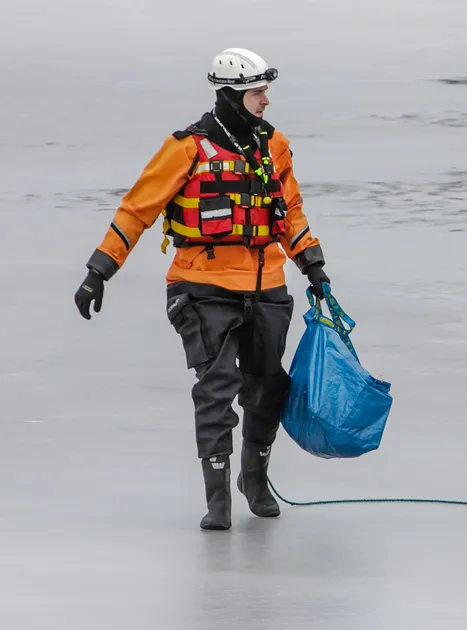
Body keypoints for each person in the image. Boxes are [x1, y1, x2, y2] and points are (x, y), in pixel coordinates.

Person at [73, 48, 332, 531]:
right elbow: (137, 210)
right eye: (258, 93)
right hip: (202, 286)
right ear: (234, 95)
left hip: (267, 283)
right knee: (216, 389)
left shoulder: (274, 146)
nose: (267, 102)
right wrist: (98, 271)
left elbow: (290, 212)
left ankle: (254, 478)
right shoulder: (186, 148)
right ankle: (218, 500)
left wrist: (313, 266)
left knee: (268, 385)